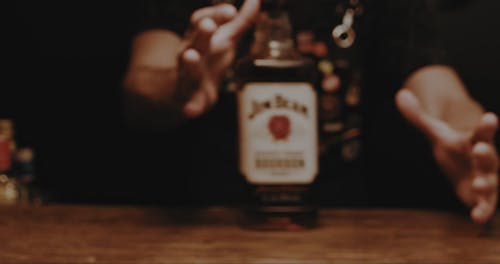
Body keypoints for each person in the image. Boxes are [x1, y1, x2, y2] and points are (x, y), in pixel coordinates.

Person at [123, 0, 499, 224]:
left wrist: (467, 138)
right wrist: (180, 82)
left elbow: (438, 87)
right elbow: (143, 82)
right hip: (213, 222)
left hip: (342, 227)